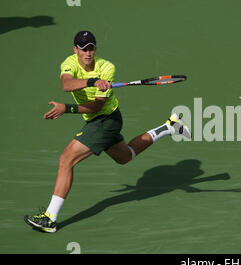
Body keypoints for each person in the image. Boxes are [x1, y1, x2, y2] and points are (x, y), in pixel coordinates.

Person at [24, 30, 191, 233]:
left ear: (96, 49)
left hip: (106, 119)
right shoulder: (69, 63)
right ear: (75, 50)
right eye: (83, 49)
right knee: (125, 156)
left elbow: (96, 107)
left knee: (66, 159)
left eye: (91, 48)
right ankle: (168, 127)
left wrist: (66, 109)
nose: (88, 53)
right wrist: (93, 81)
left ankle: (50, 218)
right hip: (97, 120)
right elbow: (66, 85)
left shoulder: (107, 68)